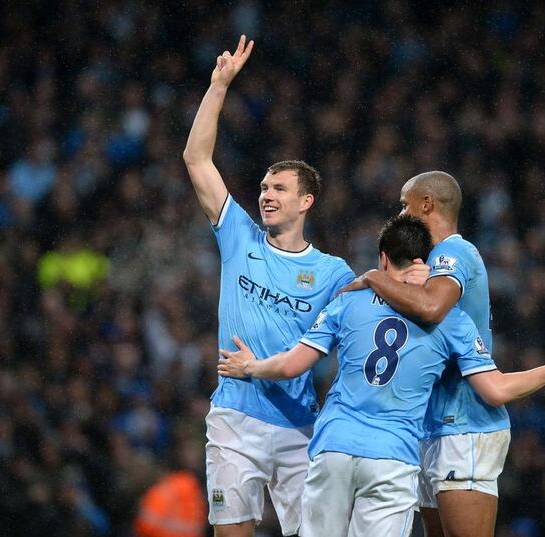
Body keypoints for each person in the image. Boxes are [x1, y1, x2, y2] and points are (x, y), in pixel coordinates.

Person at [217, 215, 545, 537]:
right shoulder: (450, 320)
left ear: (383, 257)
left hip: (333, 446)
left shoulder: (348, 301)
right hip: (391, 457)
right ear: (423, 261)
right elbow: (495, 390)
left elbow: (290, 366)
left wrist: (249, 366)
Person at [182, 36, 362, 537]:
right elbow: (197, 160)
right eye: (263, 187)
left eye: (279, 189)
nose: (265, 195)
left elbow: (364, 332)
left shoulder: (333, 273)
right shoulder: (239, 235)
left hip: (299, 425)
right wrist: (219, 86)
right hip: (235, 416)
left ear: (306, 202)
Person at [339, 171, 520, 537]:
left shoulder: (455, 252)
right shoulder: (428, 261)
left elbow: (433, 308)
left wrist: (376, 277)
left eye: (405, 204)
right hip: (431, 422)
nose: (402, 213)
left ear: (427, 204)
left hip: (465, 422)